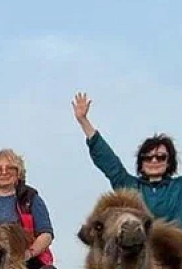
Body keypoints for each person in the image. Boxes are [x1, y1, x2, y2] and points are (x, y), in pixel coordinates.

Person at [73, 92, 182, 226]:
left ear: (169, 162)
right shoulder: (130, 187)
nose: (154, 161)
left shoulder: (179, 187)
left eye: (160, 157)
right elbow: (109, 162)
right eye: (148, 158)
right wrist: (84, 121)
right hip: (140, 243)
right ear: (141, 163)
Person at [0, 148, 55, 269]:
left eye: (10, 168)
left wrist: (28, 254)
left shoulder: (31, 198)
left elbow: (46, 234)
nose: (4, 172)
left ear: (18, 172)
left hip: (24, 261)